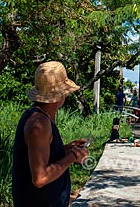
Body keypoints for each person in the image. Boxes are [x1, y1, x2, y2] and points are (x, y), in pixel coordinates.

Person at [12, 61, 89, 207]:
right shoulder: (38, 124)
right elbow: (40, 178)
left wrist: (66, 148)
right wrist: (73, 156)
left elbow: (44, 155)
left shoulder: (42, 117)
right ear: (60, 95)